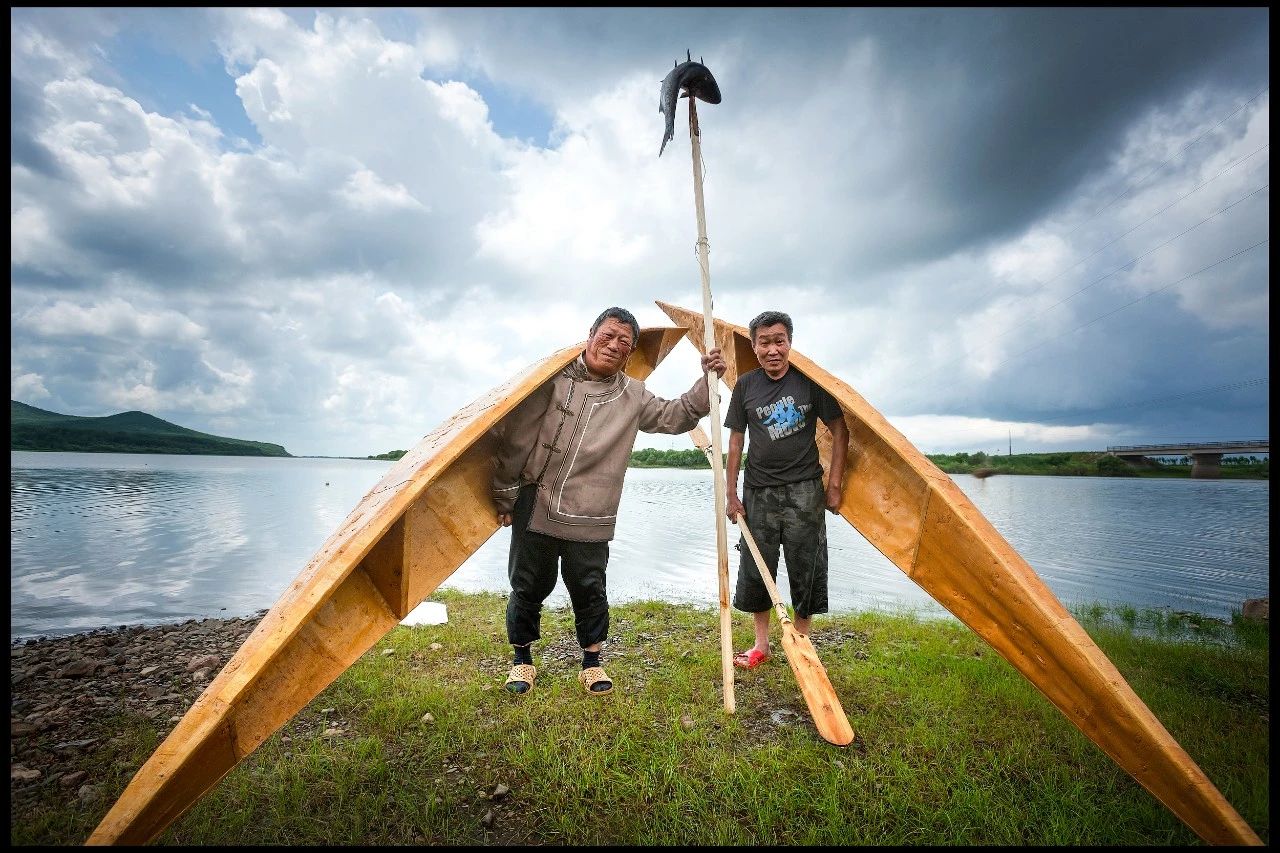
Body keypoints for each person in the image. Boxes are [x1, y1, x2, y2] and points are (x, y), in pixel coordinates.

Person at [491, 307, 727, 696]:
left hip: (593, 508)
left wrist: (708, 378)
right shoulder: (551, 379)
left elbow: (676, 415)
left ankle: (592, 662)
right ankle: (522, 660)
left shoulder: (632, 394)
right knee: (528, 583)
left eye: (625, 342)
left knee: (589, 586)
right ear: (591, 334)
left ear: (631, 352)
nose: (615, 345)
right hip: (534, 499)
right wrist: (504, 492)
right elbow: (515, 438)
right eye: (609, 335)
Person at [723, 310, 848, 669]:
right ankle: (762, 644)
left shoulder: (809, 382)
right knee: (756, 566)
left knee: (806, 567)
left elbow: (841, 430)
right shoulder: (746, 385)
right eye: (764, 342)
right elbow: (735, 441)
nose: (772, 349)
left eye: (779, 341)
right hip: (758, 492)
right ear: (755, 346)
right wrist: (731, 494)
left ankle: (804, 644)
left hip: (805, 491)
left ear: (789, 343)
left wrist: (834, 484)